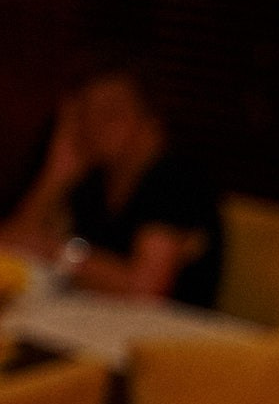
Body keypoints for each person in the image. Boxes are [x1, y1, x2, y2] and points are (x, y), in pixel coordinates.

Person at [0, 59, 221, 306]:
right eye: (85, 113)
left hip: (176, 336)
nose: (93, 126)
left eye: (110, 113)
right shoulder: (94, 177)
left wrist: (57, 253)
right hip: (96, 319)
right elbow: (10, 244)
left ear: (151, 119)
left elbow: (146, 289)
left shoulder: (177, 177)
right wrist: (56, 174)